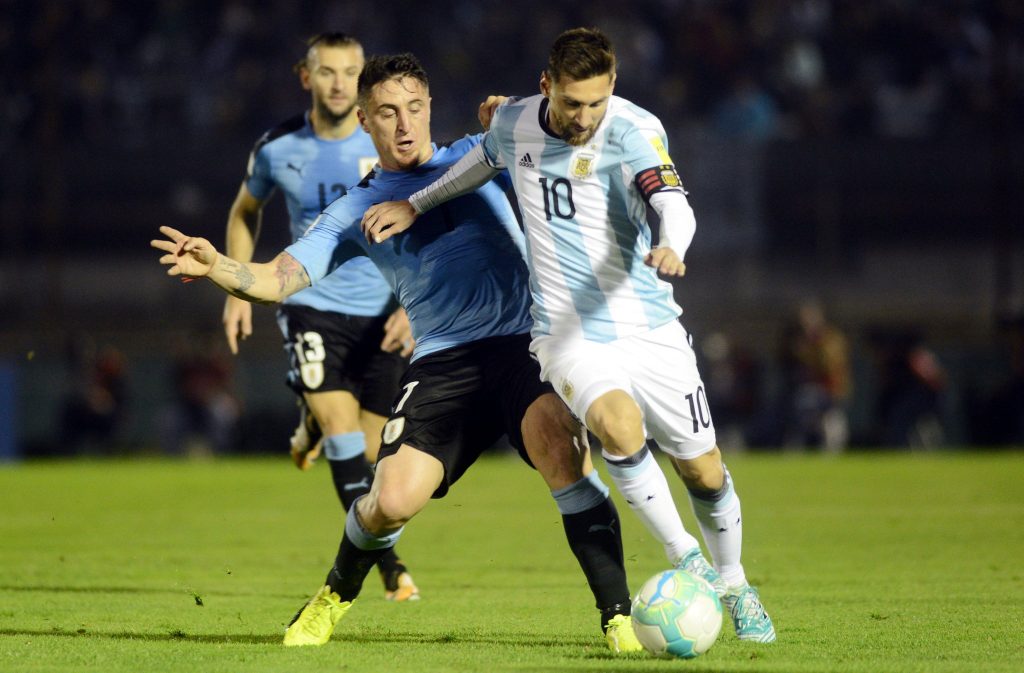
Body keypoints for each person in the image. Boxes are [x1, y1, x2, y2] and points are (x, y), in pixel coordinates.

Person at [153, 53, 643, 654]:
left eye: (415, 108)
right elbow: (276, 278)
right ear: (365, 120)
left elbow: (561, 127)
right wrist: (217, 268)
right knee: (388, 502)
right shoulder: (354, 210)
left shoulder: (481, 153)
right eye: (387, 112)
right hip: (444, 362)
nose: (405, 124)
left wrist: (518, 108)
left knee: (560, 451)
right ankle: (333, 594)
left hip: (525, 345)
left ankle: (618, 618)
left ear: (431, 108)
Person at [362, 27, 776, 643]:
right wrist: (416, 205)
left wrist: (670, 245)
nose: (584, 117)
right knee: (615, 426)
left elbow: (673, 203)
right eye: (572, 103)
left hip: (649, 325)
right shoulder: (515, 124)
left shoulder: (635, 130)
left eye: (596, 102)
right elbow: (472, 169)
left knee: (705, 472)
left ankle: (735, 582)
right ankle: (687, 558)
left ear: (612, 89)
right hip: (567, 333)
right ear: (546, 86)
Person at [221, 32, 418, 601]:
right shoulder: (278, 147)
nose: (339, 82)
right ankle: (387, 567)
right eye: (327, 72)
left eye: (351, 71)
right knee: (343, 432)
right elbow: (245, 210)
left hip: (382, 306)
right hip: (310, 303)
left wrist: (414, 302)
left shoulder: (388, 141)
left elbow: (425, 217)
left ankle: (308, 418)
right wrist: (238, 287)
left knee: (378, 454)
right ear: (305, 78)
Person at [778, 300, 851, 452]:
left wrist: (811, 349)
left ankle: (829, 448)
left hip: (829, 390)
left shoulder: (830, 339)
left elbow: (830, 364)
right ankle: (797, 445)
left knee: (830, 424)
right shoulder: (798, 340)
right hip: (805, 391)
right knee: (800, 409)